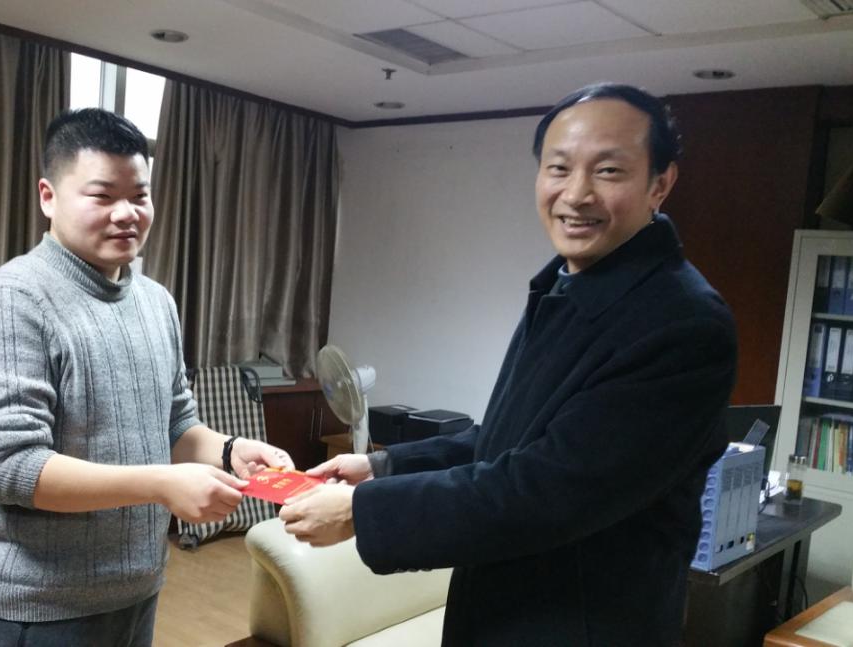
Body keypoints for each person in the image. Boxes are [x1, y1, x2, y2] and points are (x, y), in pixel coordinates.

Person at [279, 83, 738, 646]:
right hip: (499, 610)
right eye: (559, 168)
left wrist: (362, 512)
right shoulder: (564, 286)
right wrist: (385, 466)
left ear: (659, 184)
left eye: (609, 171)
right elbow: (509, 442)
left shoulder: (682, 323)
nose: (576, 194)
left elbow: (549, 489)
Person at [0, 108, 293, 647]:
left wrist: (229, 450)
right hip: (33, 610)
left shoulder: (156, 302)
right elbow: (9, 468)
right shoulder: (10, 303)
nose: (126, 214)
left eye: (140, 196)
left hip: (135, 594)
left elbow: (175, 425)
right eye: (102, 196)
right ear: (48, 196)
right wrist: (162, 485)